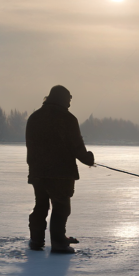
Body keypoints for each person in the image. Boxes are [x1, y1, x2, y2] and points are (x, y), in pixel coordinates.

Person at [26, 85, 94, 254]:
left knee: (40, 206)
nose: (70, 104)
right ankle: (58, 243)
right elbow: (76, 146)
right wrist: (89, 159)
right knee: (61, 207)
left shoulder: (34, 117)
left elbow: (30, 146)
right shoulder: (68, 119)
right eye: (69, 99)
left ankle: (36, 241)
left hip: (38, 173)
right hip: (60, 174)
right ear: (62, 98)